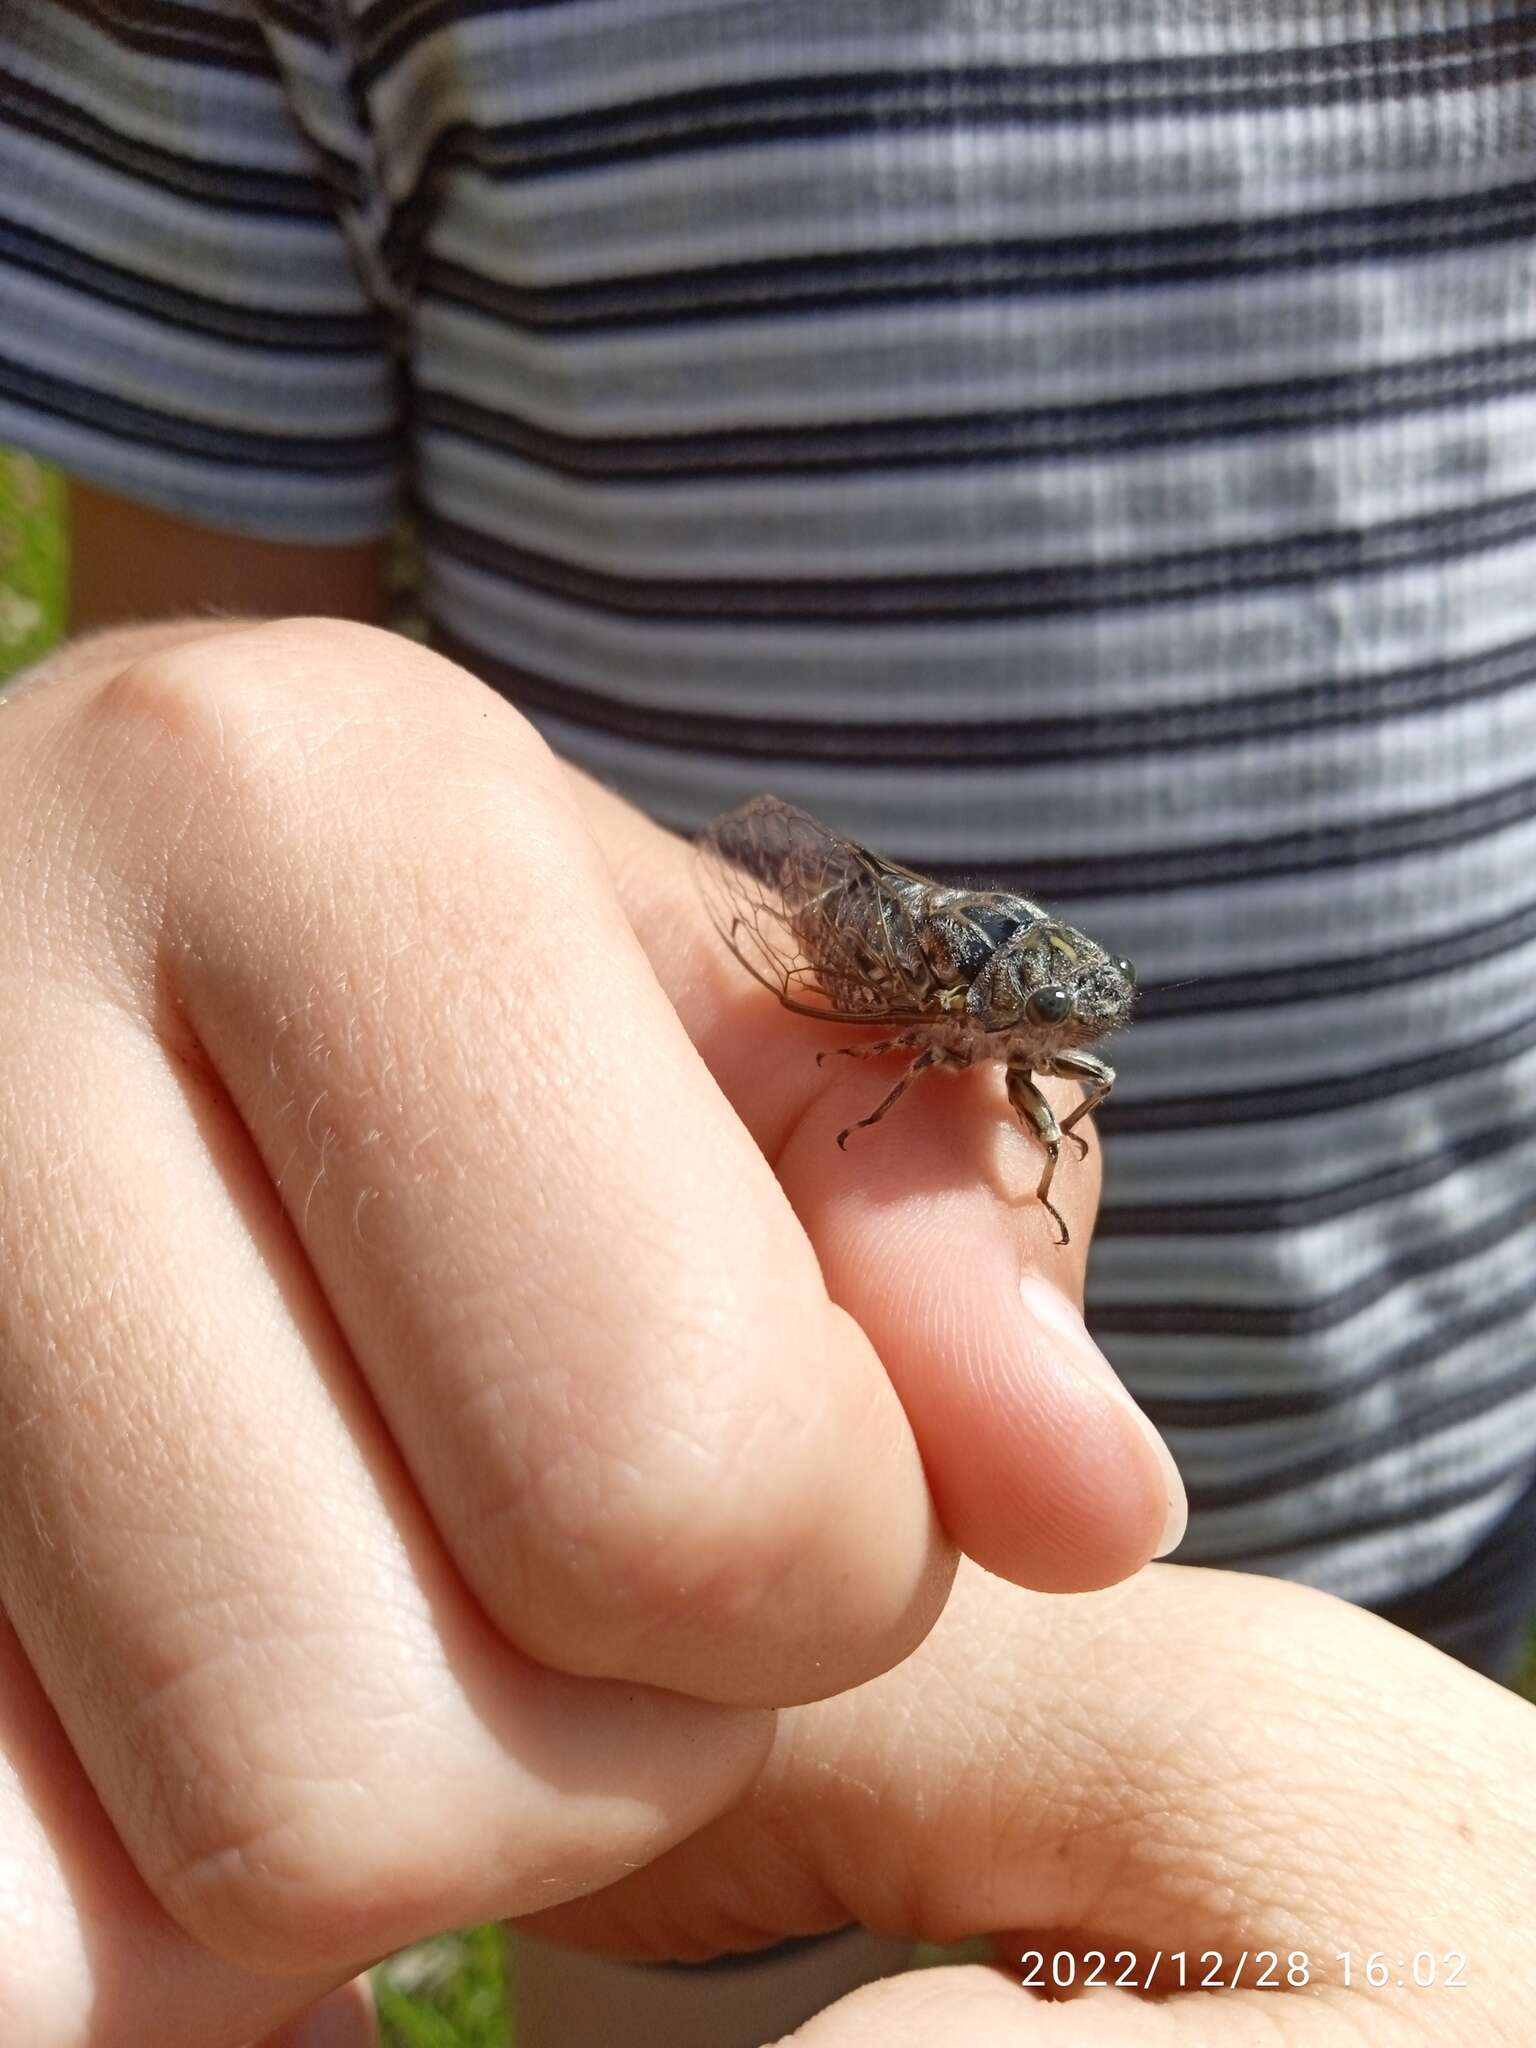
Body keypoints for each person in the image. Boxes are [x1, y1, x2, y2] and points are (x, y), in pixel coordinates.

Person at [2, 2, 1535, 2042]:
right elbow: (207, 652)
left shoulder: (1042, 1057)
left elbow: (1028, 1066)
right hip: (705, 1541)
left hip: (1426, 1449)